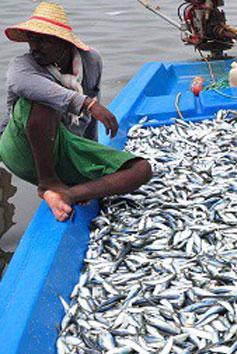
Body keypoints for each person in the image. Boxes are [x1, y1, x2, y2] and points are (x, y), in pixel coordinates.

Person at [0, 2, 152, 222]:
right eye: (32, 39)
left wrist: (90, 162)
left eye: (44, 40)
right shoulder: (22, 65)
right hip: (22, 149)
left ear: (63, 42)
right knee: (43, 101)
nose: (35, 46)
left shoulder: (91, 61)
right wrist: (86, 103)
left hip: (66, 145)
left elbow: (89, 122)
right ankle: (48, 183)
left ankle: (68, 194)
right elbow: (25, 85)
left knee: (141, 169)